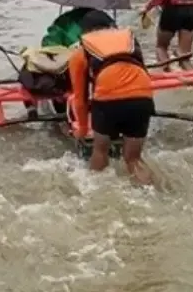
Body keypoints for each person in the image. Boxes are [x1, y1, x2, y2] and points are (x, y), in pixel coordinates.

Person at [66, 10, 155, 185]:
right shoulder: (130, 41)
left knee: (100, 151)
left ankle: (94, 191)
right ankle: (153, 193)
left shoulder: (81, 52)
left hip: (108, 100)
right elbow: (141, 71)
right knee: (133, 159)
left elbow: (80, 98)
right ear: (111, 26)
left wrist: (82, 130)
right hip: (142, 97)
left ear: (85, 32)